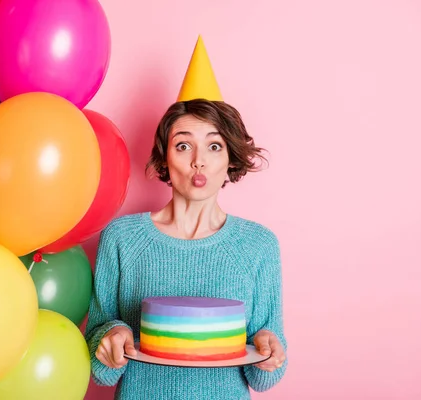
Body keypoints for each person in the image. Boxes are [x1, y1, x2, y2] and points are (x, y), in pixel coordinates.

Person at [84, 98, 288, 400]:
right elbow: (100, 370)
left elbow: (263, 379)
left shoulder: (258, 246)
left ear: (231, 158)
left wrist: (269, 349)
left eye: (214, 146)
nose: (198, 160)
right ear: (164, 158)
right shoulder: (122, 238)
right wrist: (111, 337)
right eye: (183, 146)